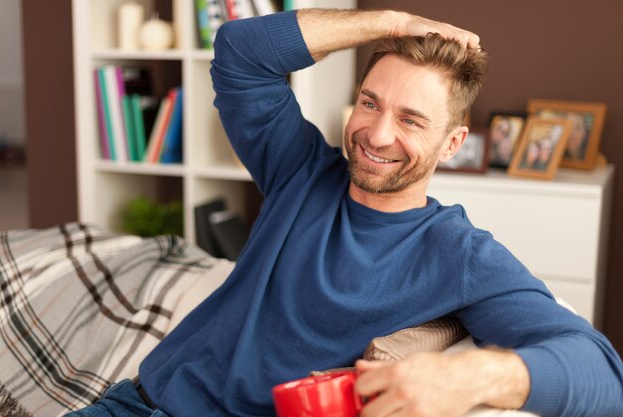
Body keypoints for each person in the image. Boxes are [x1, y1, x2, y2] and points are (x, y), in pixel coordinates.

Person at [69, 8, 623, 417]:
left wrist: (474, 375)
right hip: (134, 403)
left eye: (411, 119)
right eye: (369, 102)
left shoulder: (460, 255)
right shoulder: (302, 171)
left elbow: (602, 374)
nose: (377, 134)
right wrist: (387, 25)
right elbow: (239, 51)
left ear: (452, 144)